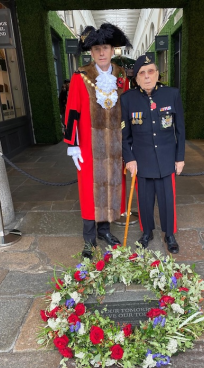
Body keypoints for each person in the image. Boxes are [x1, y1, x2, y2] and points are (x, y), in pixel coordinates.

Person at [64, 23, 132, 259]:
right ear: (91, 52)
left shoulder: (122, 76)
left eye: (105, 48)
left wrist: (129, 141)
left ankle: (105, 230)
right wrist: (73, 144)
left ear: (113, 50)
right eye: (96, 49)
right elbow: (72, 110)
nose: (101, 53)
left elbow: (127, 109)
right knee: (89, 191)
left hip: (115, 145)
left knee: (112, 187)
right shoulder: (80, 76)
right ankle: (89, 239)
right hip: (89, 146)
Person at [121, 55, 185, 254]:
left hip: (167, 158)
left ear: (157, 74)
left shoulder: (171, 94)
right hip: (142, 160)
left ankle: (170, 234)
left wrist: (180, 157)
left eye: (151, 71)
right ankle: (146, 232)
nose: (147, 76)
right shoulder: (127, 99)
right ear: (136, 78)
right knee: (145, 199)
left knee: (167, 198)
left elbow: (180, 129)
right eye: (142, 73)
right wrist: (129, 158)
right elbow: (123, 134)